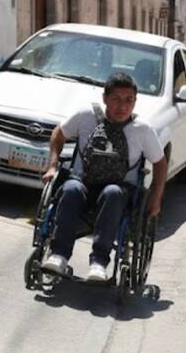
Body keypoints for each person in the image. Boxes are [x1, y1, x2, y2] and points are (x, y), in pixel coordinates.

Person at [39, 73, 167, 282]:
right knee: (70, 189)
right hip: (82, 181)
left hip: (118, 190)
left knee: (113, 193)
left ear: (135, 102)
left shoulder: (143, 129)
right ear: (105, 98)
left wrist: (156, 196)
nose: (122, 106)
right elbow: (58, 135)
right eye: (116, 99)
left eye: (129, 101)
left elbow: (160, 164)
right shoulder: (85, 115)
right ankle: (59, 255)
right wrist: (52, 166)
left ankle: (99, 263)